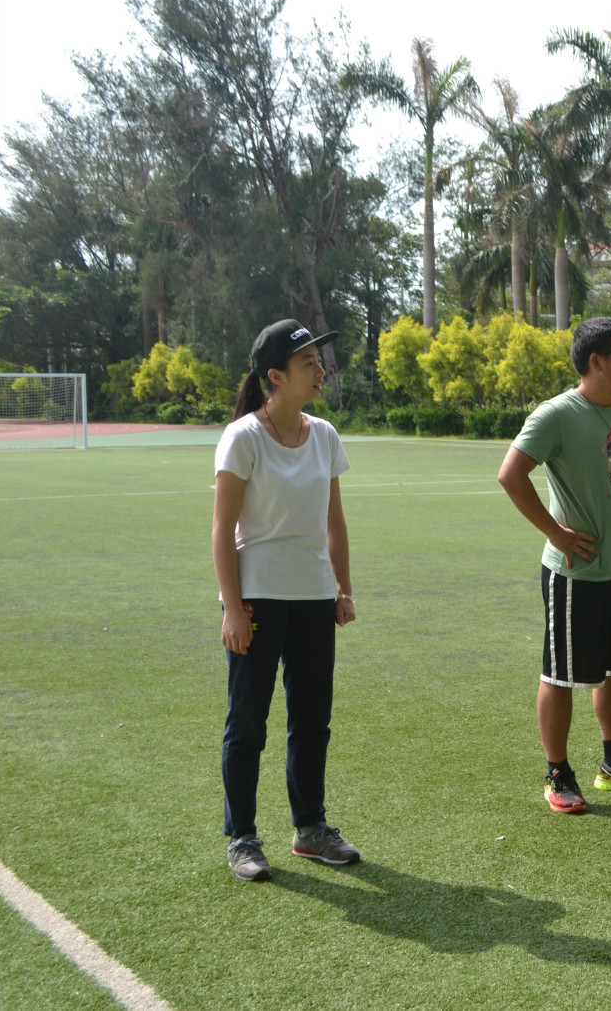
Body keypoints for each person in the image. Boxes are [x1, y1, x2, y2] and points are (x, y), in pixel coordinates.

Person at [497, 317, 611, 813]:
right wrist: (555, 533)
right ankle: (557, 772)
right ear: (596, 361)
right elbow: (511, 474)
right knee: (561, 674)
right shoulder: (556, 414)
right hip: (575, 572)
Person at [213, 319, 360, 882]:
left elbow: (334, 520)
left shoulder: (324, 435)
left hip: (314, 596)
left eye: (319, 361)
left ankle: (310, 829)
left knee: (312, 719)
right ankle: (243, 838)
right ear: (275, 376)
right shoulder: (243, 438)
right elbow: (222, 529)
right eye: (308, 362)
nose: (320, 369)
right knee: (248, 723)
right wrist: (232, 607)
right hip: (258, 598)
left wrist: (342, 589)